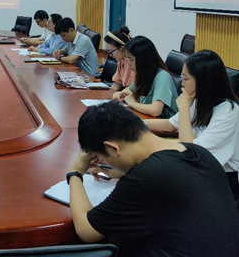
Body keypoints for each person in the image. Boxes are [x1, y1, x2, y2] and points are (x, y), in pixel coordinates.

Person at [67, 101, 239, 257]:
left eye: (101, 157)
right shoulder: (197, 152)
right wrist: (122, 171)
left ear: (112, 148)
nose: (103, 162)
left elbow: (86, 230)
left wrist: (75, 172)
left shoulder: (144, 178)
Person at [145, 49, 239, 203]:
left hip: (223, 183)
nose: (181, 82)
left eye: (185, 78)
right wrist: (138, 124)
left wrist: (183, 108)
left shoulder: (228, 111)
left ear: (203, 81)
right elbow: (170, 124)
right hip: (199, 171)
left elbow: (191, 152)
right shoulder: (199, 100)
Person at [113, 36, 178, 119]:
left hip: (164, 124)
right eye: (127, 60)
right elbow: (129, 90)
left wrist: (131, 103)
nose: (129, 64)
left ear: (143, 60)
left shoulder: (163, 77)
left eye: (131, 60)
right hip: (149, 119)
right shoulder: (146, 74)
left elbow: (155, 110)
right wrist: (121, 94)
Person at [103, 27, 134, 92]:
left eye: (111, 51)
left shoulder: (133, 63)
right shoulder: (121, 60)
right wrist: (107, 95)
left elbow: (133, 91)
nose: (110, 55)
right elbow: (117, 84)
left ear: (122, 48)